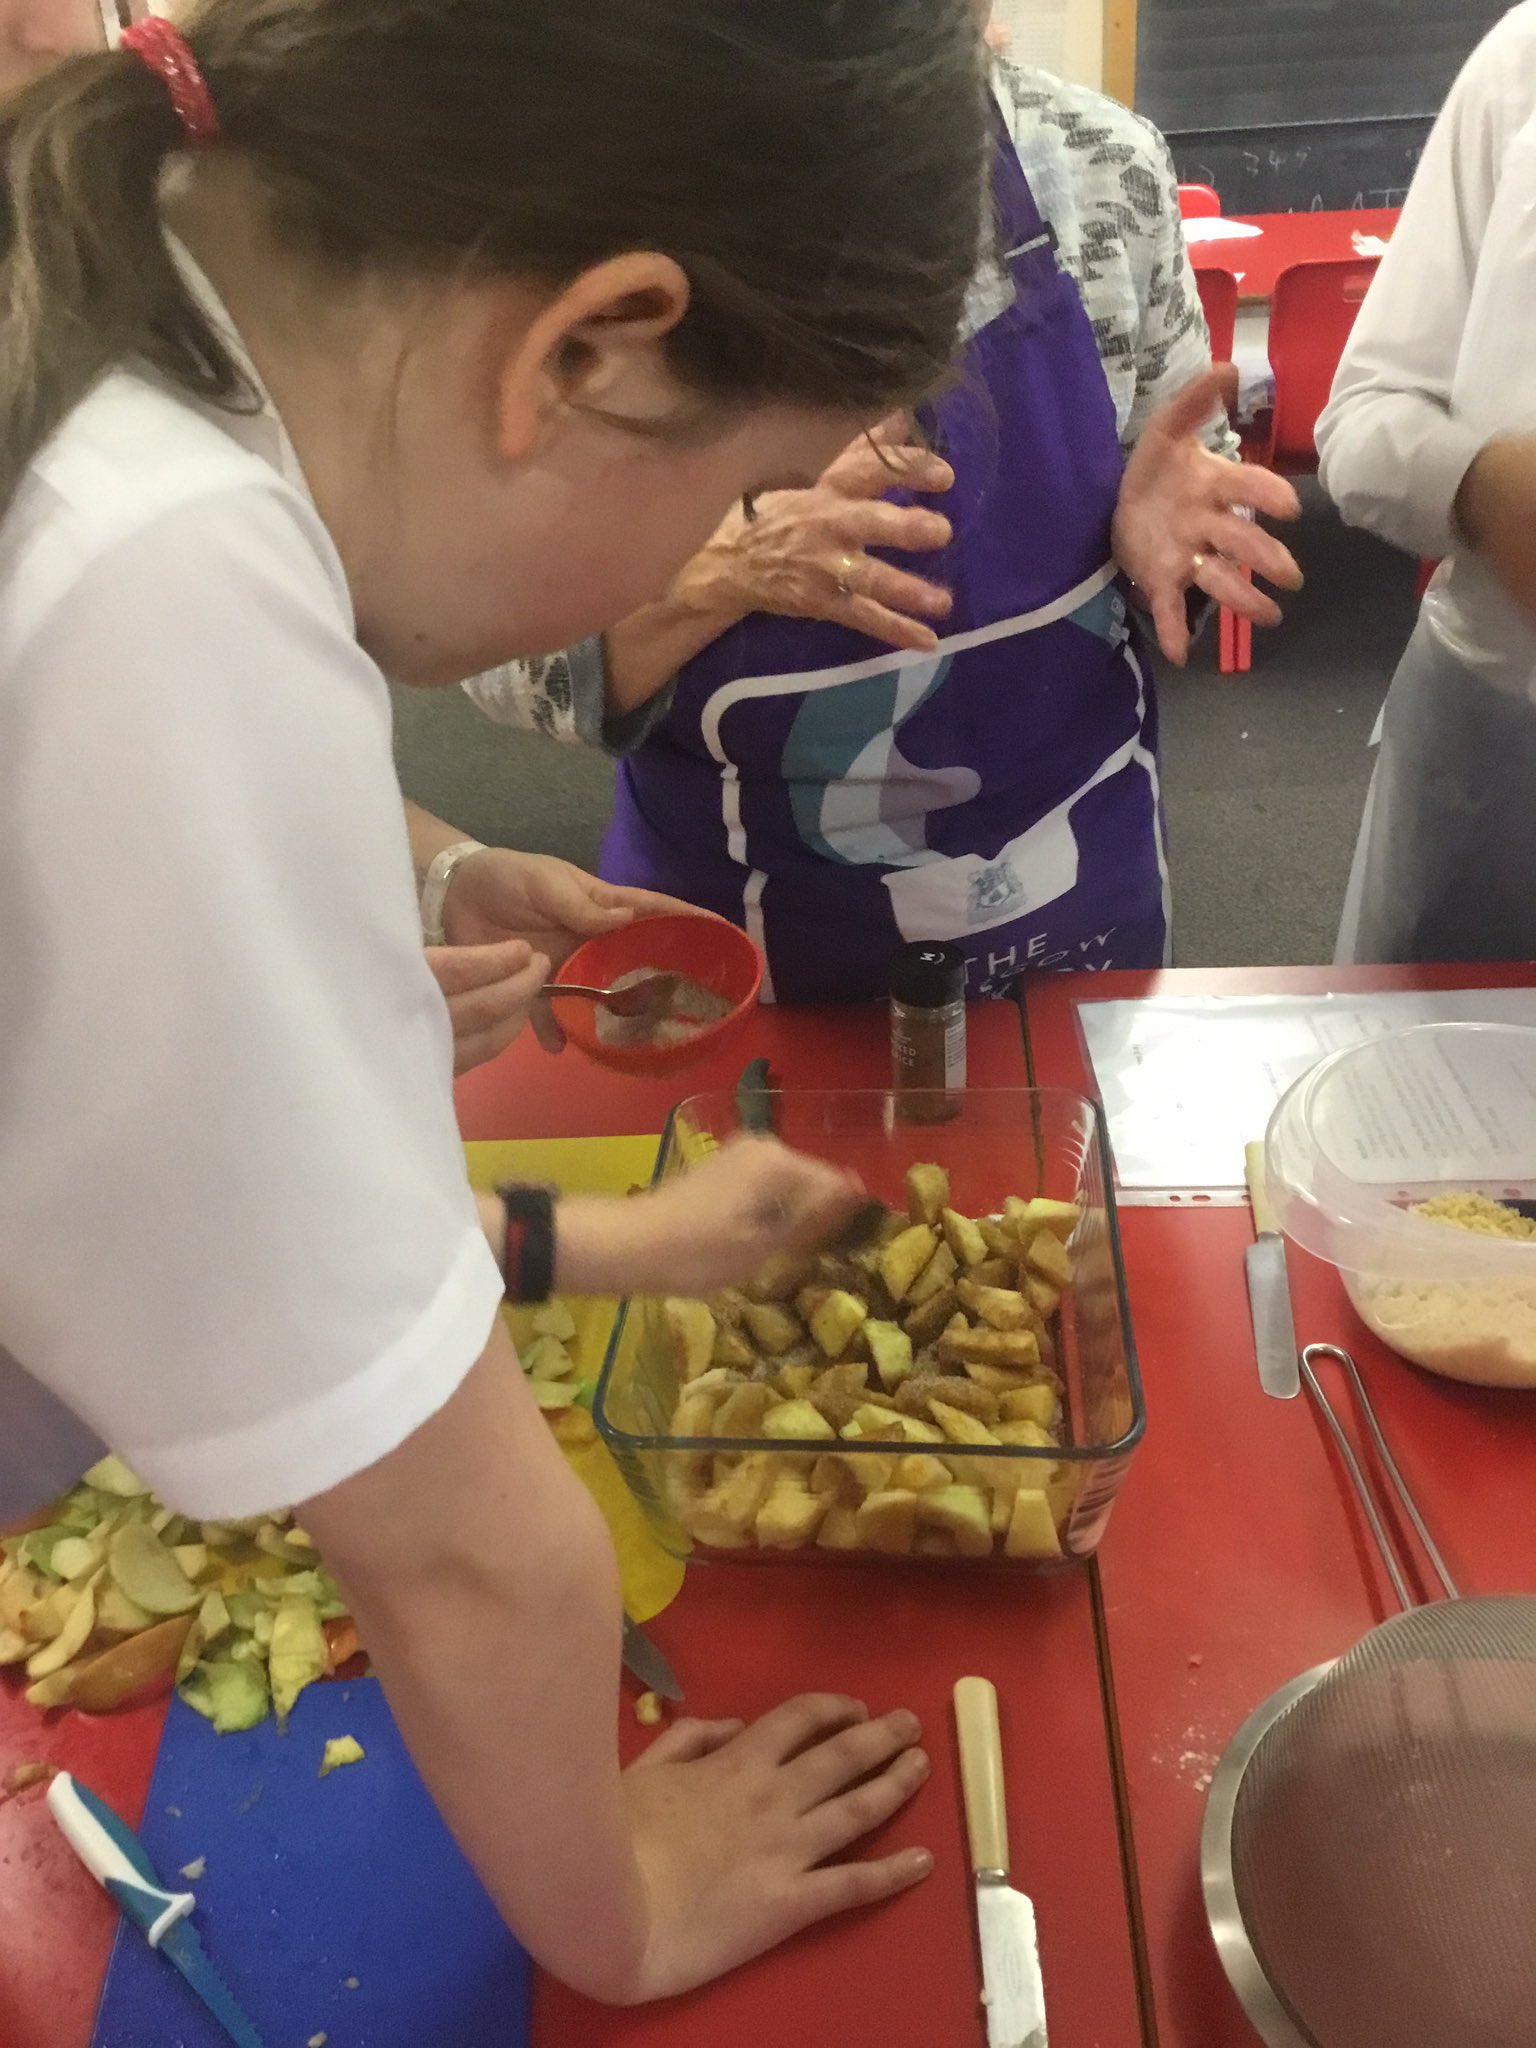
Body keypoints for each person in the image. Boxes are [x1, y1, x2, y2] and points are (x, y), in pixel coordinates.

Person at [0, 0, 992, 2004]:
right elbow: (454, 1537)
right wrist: (616, 1898)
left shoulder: (114, 338)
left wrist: (415, 863)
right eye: (749, 489)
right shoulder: (168, 585)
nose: (732, 542)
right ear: (589, 348)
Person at [423, 8, 1303, 1017]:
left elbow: (1192, 467)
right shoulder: (605, 208)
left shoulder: (1103, 168)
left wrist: (1172, 542)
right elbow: (476, 637)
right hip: (741, 946)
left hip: (1073, 909)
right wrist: (710, 571)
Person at [1320, 2, 1536, 963]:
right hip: (1499, 736)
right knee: (1413, 1092)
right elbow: (1364, 416)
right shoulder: (1524, 62)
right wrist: (1483, 484)